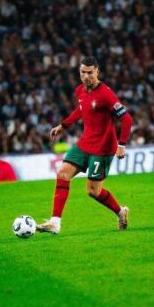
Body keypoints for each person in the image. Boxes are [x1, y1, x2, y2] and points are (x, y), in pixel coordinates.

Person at [37, 56, 134, 234]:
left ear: (97, 71)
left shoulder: (106, 94)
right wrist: (63, 125)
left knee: (93, 191)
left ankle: (121, 212)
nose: (86, 76)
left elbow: (127, 119)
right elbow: (82, 109)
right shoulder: (80, 91)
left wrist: (122, 144)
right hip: (85, 143)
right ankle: (55, 222)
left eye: (90, 72)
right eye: (83, 72)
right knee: (62, 173)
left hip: (103, 148)